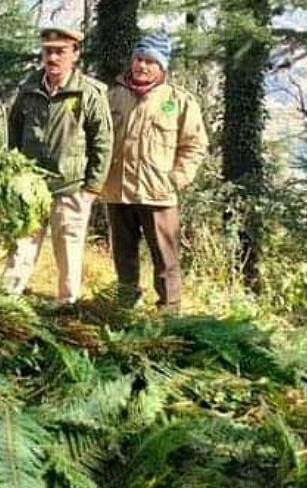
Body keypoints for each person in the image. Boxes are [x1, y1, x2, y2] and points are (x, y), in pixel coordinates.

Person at [2, 26, 113, 306]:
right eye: (48, 51)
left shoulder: (89, 93)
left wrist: (92, 189)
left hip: (70, 188)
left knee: (69, 252)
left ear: (74, 54)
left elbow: (103, 142)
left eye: (60, 51)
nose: (52, 58)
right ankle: (7, 301)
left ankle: (67, 305)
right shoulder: (28, 89)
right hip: (30, 187)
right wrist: (13, 174)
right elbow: (13, 133)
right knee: (21, 247)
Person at [102, 32, 208, 311]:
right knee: (123, 255)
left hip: (158, 193)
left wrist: (177, 179)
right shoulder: (111, 97)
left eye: (150, 61)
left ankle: (169, 311)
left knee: (165, 258)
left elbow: (195, 145)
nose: (142, 66)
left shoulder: (179, 101)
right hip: (117, 190)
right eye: (139, 59)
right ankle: (125, 305)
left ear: (162, 67)